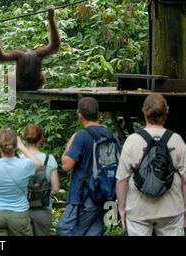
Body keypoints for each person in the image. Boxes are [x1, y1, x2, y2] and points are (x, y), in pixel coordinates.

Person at [116, 94, 186, 236]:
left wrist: (122, 208)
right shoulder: (177, 140)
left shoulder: (132, 141)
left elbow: (121, 180)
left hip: (138, 211)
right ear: (166, 113)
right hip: (171, 210)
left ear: (144, 112)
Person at [57, 97, 112, 236]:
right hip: (103, 192)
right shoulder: (109, 134)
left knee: (64, 229)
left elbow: (66, 165)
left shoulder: (81, 135)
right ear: (98, 113)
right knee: (93, 231)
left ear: (79, 115)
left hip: (83, 195)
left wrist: (71, 142)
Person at [0, 128, 42, 236]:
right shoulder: (25, 165)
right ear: (15, 144)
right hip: (19, 213)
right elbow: (38, 164)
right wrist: (21, 146)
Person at [21, 124, 59, 236]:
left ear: (24, 139)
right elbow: (56, 189)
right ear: (41, 138)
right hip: (43, 210)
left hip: (22, 210)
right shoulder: (49, 159)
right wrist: (43, 194)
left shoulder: (17, 159)